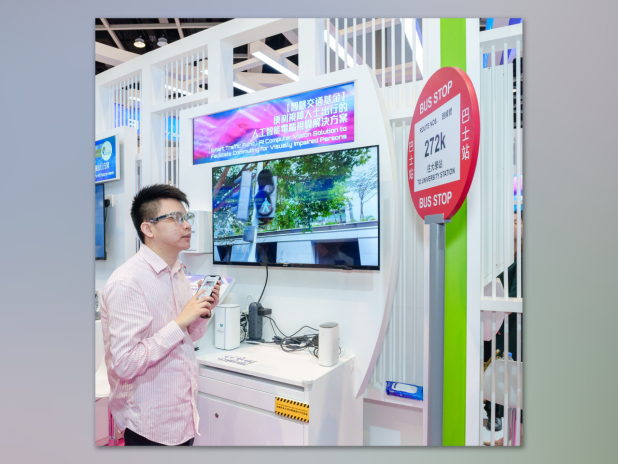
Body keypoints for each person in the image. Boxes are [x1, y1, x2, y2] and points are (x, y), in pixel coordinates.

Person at [100, 184, 221, 446]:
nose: (187, 225)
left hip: (182, 414)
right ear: (148, 228)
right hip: (148, 424)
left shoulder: (177, 271)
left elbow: (187, 337)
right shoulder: (127, 281)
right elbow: (125, 364)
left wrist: (202, 311)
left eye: (186, 217)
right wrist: (180, 321)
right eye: (176, 218)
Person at [483, 208, 523, 446]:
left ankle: (514, 438)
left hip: (517, 328)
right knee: (510, 379)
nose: (512, 225)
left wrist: (498, 312)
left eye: (516, 221)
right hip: (507, 327)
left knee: (516, 381)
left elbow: (514, 298)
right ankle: (509, 437)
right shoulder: (511, 257)